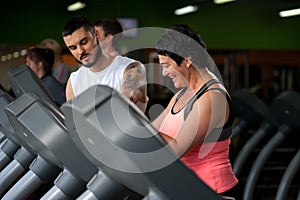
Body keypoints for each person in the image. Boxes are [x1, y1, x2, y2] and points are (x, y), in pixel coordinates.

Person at [152, 24, 238, 197]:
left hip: (212, 191)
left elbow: (175, 149)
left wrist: (133, 125)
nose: (164, 73)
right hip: (185, 188)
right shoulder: (182, 94)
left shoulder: (213, 98)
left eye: (167, 65)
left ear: (187, 59)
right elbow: (152, 129)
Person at [61, 16, 147, 111]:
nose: (80, 51)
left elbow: (123, 103)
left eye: (84, 42)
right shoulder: (74, 81)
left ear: (96, 35)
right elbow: (74, 122)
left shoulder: (131, 68)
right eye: (73, 48)